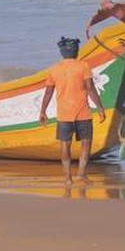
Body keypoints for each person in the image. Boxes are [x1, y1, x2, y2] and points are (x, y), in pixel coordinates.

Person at [39, 37, 106, 186]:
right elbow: (90, 89)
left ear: (62, 52)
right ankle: (81, 175)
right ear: (76, 51)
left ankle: (68, 179)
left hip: (64, 114)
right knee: (86, 143)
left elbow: (48, 93)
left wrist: (42, 112)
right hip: (83, 112)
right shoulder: (83, 66)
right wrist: (100, 108)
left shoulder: (54, 69)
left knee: (65, 145)